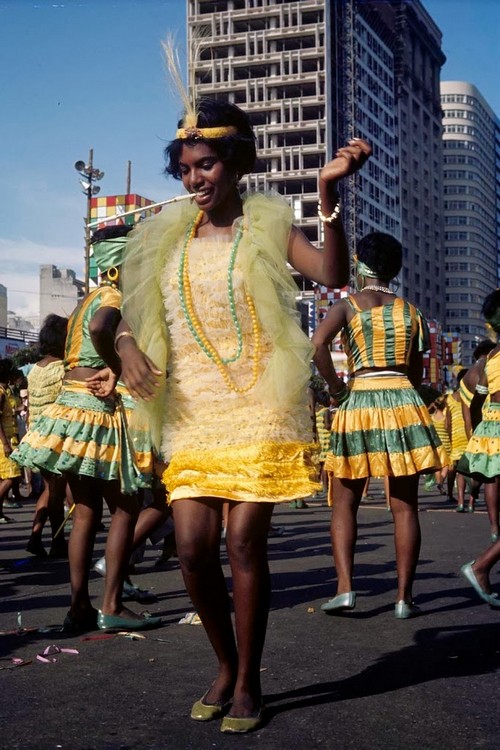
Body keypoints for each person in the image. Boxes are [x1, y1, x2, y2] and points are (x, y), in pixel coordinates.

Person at [115, 96, 371, 733]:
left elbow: (331, 272)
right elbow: (119, 312)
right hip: (193, 409)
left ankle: (250, 679)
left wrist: (327, 193)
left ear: (234, 163)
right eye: (185, 169)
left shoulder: (267, 224)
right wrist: (122, 348)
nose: (196, 179)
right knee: (193, 550)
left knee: (241, 543)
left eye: (206, 165)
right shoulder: (165, 236)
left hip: (260, 404)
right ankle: (225, 663)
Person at [11, 225, 161, 633]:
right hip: (101, 409)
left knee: (85, 512)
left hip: (72, 407)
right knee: (127, 507)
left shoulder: (82, 303)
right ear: (118, 267)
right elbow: (100, 331)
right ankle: (111, 603)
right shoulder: (115, 299)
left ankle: (78, 606)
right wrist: (119, 370)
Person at [312, 232, 447, 619]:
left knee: (344, 501)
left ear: (359, 263)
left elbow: (318, 346)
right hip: (403, 398)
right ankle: (404, 598)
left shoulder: (347, 306)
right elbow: (417, 370)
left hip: (360, 399)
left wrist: (338, 390)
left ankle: (344, 589)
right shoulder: (411, 310)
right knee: (405, 506)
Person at [459, 290, 500, 604]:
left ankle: (484, 561)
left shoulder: (491, 358)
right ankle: (482, 565)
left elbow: (478, 398)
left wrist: (476, 431)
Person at [22, 314, 70, 558]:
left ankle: (36, 537)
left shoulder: (34, 370)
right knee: (57, 491)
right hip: (58, 437)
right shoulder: (63, 368)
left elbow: (30, 406)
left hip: (37, 437)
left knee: (51, 490)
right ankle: (57, 541)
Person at [459, 338, 497, 531]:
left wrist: (474, 437)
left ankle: (491, 523)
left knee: (487, 474)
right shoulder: (493, 359)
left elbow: (468, 415)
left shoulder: (467, 376)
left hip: (484, 425)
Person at [0, 359, 22, 523]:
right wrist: (6, 444)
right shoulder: (0, 392)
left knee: (5, 476)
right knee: (13, 476)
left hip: (10, 437)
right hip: (4, 440)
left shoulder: (5, 390)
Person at [446, 370, 470, 511]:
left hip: (455, 439)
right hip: (469, 436)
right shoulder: (471, 397)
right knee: (470, 470)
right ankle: (471, 501)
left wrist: (449, 439)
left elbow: (447, 424)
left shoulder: (450, 399)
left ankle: (454, 496)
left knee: (453, 470)